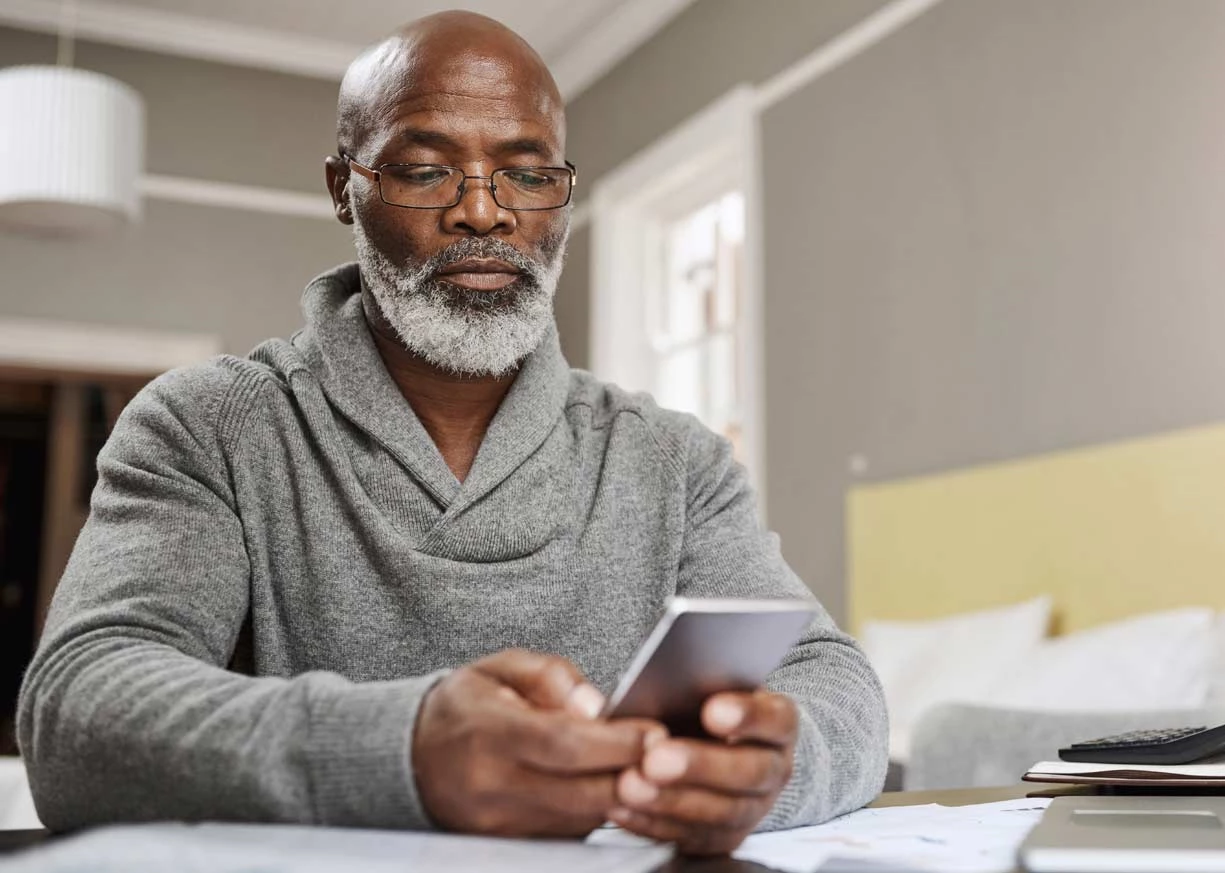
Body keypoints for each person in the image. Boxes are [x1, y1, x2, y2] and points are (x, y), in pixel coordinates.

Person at [17, 10, 888, 856]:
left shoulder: (674, 458)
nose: (483, 210)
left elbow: (834, 682)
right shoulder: (210, 425)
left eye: (527, 172)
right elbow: (79, 708)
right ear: (343, 191)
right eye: (425, 170)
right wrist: (401, 750)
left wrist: (772, 766)